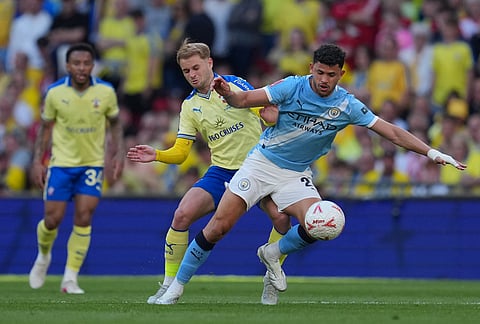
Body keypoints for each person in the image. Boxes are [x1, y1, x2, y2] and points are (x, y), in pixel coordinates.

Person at [154, 43, 467, 305]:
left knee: (323, 224)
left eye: (331, 75)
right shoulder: (292, 85)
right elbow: (246, 100)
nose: (324, 80)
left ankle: (272, 253)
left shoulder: (346, 104)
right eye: (319, 73)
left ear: (341, 75)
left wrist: (433, 152)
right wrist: (229, 93)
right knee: (219, 227)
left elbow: (391, 132)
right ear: (311, 68)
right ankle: (178, 284)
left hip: (295, 173)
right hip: (261, 163)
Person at [126, 40, 290, 305]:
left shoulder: (235, 84)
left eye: (196, 67)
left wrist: (272, 116)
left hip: (258, 167)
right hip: (222, 172)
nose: (192, 74)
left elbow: (266, 112)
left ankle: (271, 279)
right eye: (186, 71)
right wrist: (156, 154)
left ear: (209, 63)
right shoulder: (189, 106)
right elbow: (181, 152)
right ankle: (168, 284)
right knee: (181, 215)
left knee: (282, 220)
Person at [28, 42, 124, 294]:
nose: (82, 68)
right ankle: (43, 255)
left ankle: (70, 278)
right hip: (60, 164)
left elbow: (115, 122)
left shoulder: (105, 92)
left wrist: (118, 153)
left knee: (83, 217)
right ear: (67, 66)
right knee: (52, 220)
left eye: (87, 63)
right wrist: (38, 160)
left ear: (93, 65)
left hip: (91, 164)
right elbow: (45, 129)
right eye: (77, 63)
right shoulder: (54, 93)